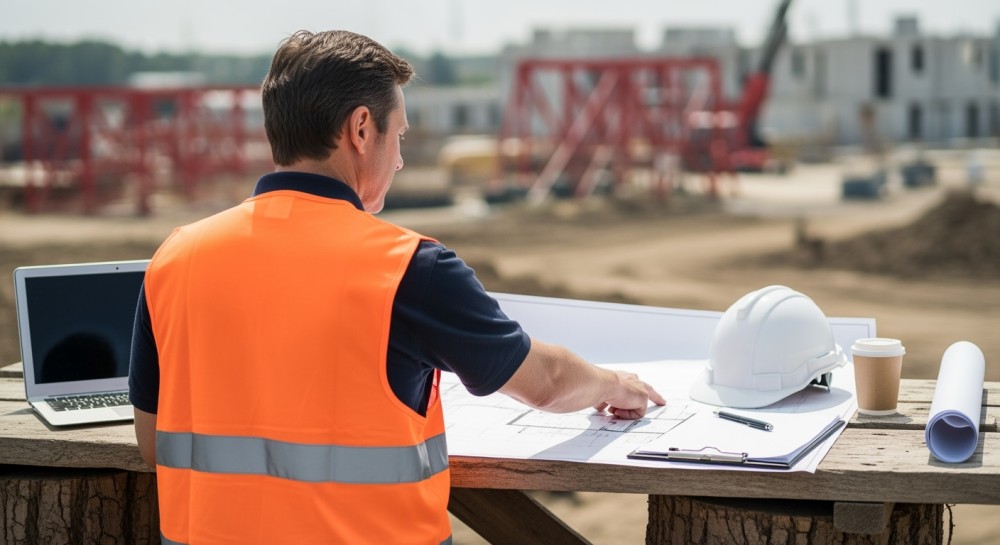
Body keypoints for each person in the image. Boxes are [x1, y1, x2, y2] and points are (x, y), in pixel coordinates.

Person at [129, 29, 665, 545]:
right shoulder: (408, 267)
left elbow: (154, 444)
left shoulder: (175, 257)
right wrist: (613, 384)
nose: (402, 157)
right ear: (361, 129)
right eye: (400, 134)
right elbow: (544, 382)